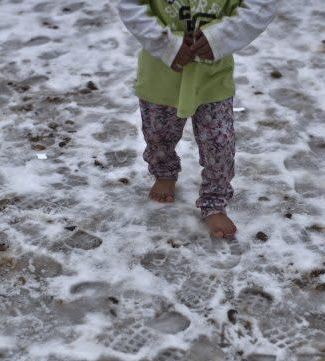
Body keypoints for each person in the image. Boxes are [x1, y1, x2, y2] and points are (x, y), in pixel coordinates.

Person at [117, 0, 276, 239]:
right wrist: (164, 43)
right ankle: (164, 172)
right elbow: (130, 5)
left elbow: (262, 6)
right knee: (158, 133)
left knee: (219, 143)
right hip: (161, 72)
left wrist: (221, 38)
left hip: (212, 75)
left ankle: (214, 201)